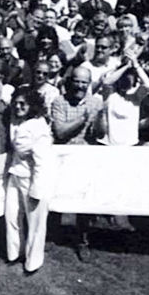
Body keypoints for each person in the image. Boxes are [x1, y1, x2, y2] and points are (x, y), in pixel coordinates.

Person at [50, 67, 104, 262]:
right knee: (55, 197)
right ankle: (51, 234)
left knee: (83, 201)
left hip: (85, 158)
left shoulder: (96, 102)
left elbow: (99, 134)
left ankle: (83, 240)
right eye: (77, 81)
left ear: (89, 84)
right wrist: (83, 119)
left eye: (84, 82)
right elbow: (60, 132)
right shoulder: (59, 101)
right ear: (70, 81)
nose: (80, 86)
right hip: (62, 157)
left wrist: (99, 118)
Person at [4, 88, 55, 274]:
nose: (18, 107)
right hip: (15, 176)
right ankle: (14, 253)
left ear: (32, 106)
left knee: (35, 223)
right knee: (11, 216)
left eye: (22, 104)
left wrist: (37, 190)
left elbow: (43, 162)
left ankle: (33, 262)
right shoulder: (15, 121)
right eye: (15, 103)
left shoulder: (39, 127)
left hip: (32, 180)